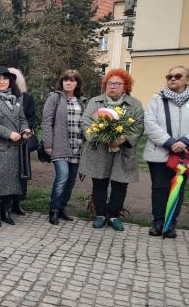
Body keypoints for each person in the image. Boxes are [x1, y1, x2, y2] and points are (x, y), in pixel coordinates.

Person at [79, 68, 144, 231]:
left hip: (122, 151)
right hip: (99, 150)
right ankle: (100, 214)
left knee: (120, 184)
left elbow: (138, 126)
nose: (112, 86)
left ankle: (114, 216)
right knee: (99, 183)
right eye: (109, 83)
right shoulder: (95, 102)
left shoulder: (134, 104)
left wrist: (123, 138)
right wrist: (104, 138)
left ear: (126, 86)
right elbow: (86, 122)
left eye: (116, 83)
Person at [143, 65, 189, 238]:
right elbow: (149, 123)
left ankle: (170, 224)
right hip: (159, 152)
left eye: (177, 76)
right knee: (160, 188)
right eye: (169, 76)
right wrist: (170, 142)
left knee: (178, 188)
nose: (172, 79)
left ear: (187, 80)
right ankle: (158, 222)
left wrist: (184, 141)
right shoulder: (157, 99)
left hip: (185, 154)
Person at [0, 65, 31, 226]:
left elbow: (22, 119)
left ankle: (5, 211)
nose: (1, 82)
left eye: (4, 79)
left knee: (10, 182)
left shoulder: (17, 98)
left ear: (10, 81)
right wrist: (9, 134)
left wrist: (25, 129)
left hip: (14, 148)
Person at [42, 69, 86, 225]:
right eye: (66, 80)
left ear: (77, 83)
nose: (68, 82)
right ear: (61, 82)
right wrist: (48, 144)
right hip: (59, 146)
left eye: (72, 80)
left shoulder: (82, 100)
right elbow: (46, 122)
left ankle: (62, 208)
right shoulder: (54, 98)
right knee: (63, 176)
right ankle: (53, 210)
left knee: (71, 180)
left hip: (77, 146)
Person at [8, 67, 35, 216]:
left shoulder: (27, 98)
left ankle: (17, 203)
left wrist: (24, 130)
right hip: (6, 139)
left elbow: (31, 118)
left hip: (21, 141)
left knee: (21, 173)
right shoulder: (0, 97)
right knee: (7, 172)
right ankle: (5, 202)